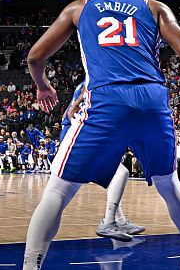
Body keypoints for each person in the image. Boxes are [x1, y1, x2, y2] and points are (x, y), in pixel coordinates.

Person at [23, 0, 180, 270]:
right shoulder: (155, 7)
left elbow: (34, 57)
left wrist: (43, 85)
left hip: (107, 100)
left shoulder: (79, 7)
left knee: (58, 190)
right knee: (169, 185)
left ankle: (31, 266)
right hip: (152, 100)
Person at [60, 81, 145, 241]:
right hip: (77, 137)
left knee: (114, 178)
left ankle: (118, 220)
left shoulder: (91, 82)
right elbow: (75, 114)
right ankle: (108, 222)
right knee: (120, 173)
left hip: (76, 135)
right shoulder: (97, 82)